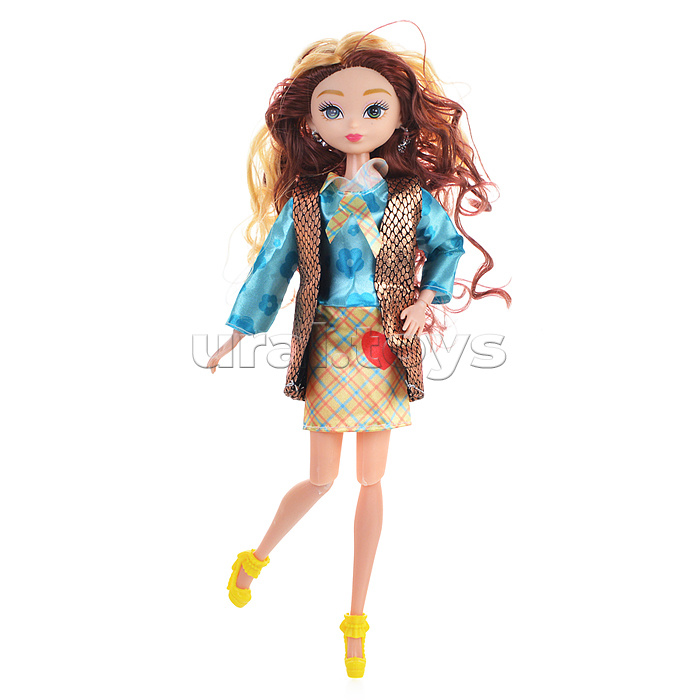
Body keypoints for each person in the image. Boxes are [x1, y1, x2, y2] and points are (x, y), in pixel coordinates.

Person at [206, 29, 509, 678]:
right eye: (333, 109)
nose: (352, 122)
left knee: (372, 481)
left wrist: (427, 298)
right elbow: (272, 268)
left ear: (398, 118)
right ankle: (255, 556)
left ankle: (355, 617)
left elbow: (448, 247)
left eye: (373, 109)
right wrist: (238, 331)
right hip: (327, 341)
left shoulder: (406, 198)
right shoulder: (309, 203)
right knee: (322, 477)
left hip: (384, 344)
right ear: (311, 122)